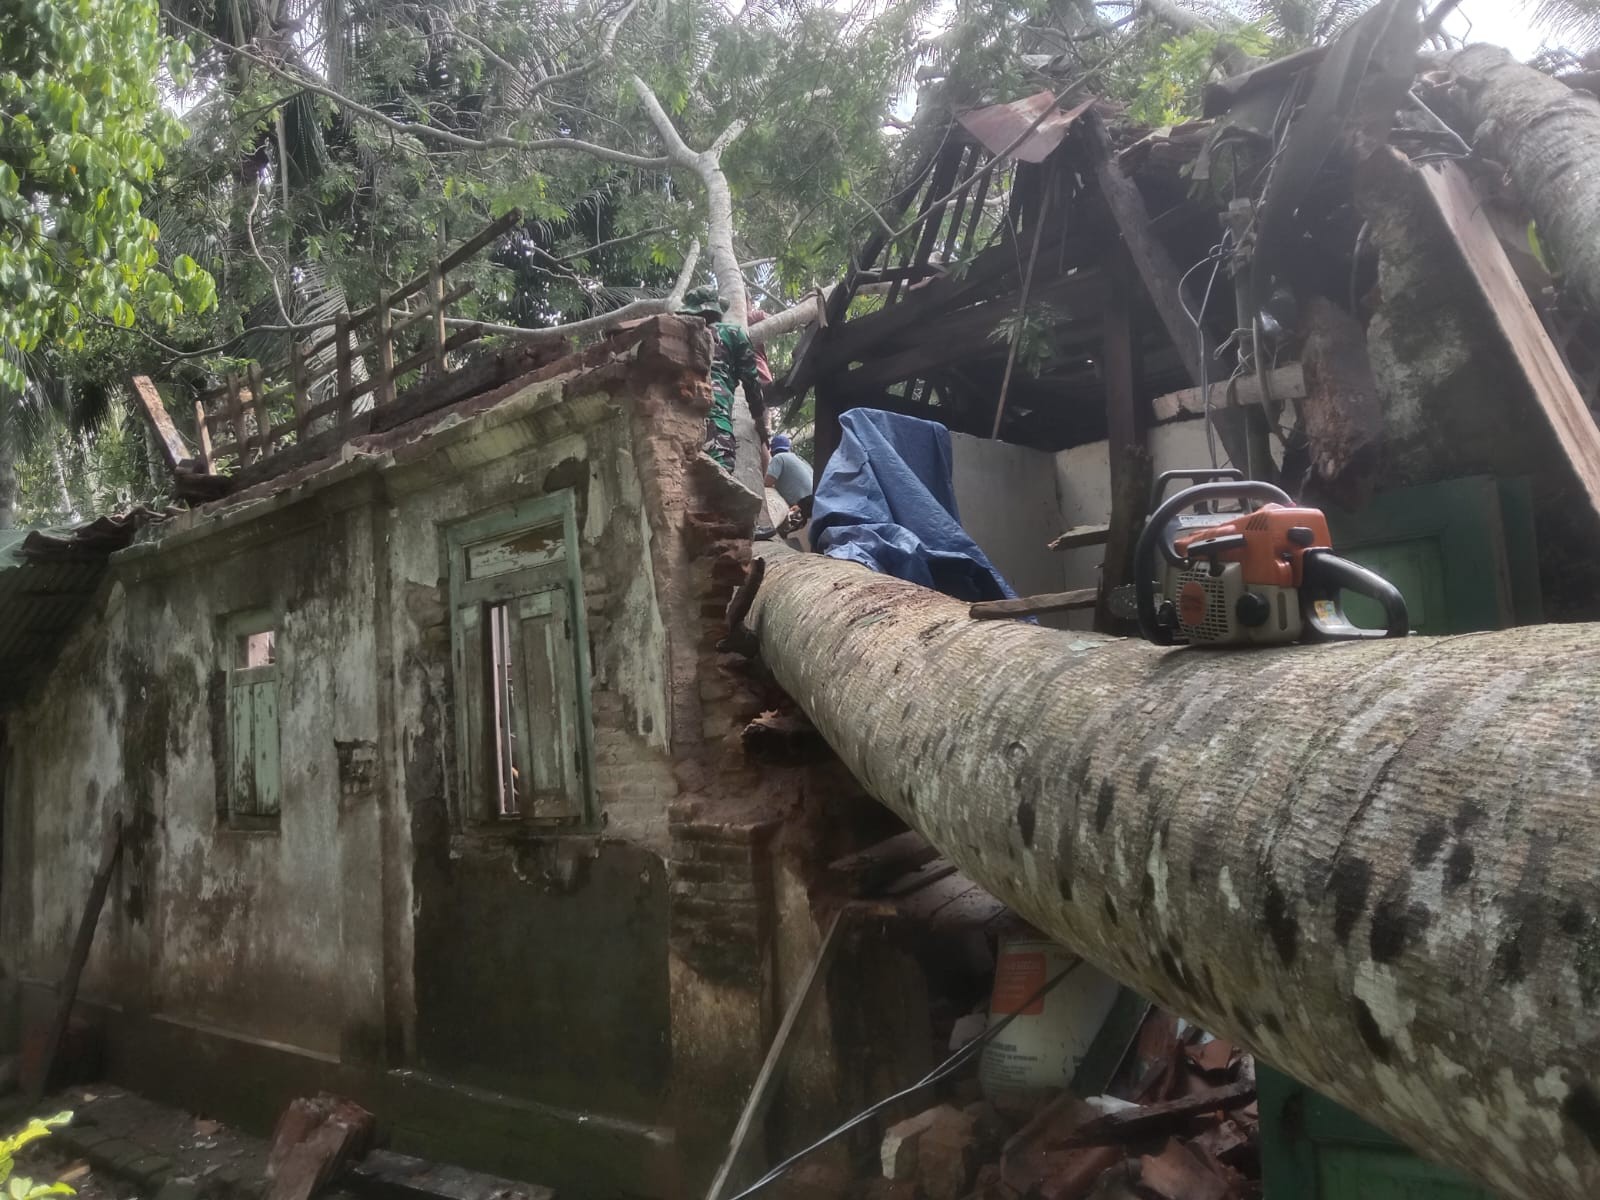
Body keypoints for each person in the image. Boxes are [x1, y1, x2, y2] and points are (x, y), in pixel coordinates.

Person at [679, 285, 766, 471]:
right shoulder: (732, 333)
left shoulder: (680, 338)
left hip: (678, 424)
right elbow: (751, 382)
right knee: (721, 481)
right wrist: (760, 421)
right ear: (717, 310)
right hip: (716, 421)